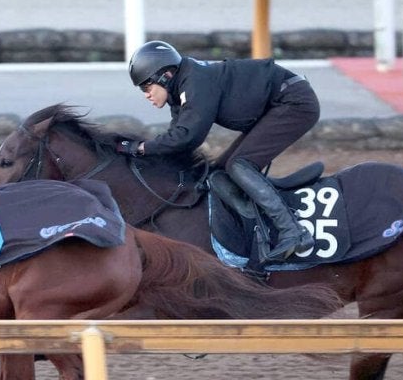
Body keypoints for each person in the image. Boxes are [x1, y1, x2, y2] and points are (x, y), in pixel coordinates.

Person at [120, 40, 319, 263]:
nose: (146, 94)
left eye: (146, 87)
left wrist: (141, 148)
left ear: (165, 75)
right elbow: (178, 143)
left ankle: (294, 232)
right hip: (275, 107)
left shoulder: (195, 82)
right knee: (219, 173)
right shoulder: (180, 89)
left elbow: (188, 136)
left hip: (294, 103)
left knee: (239, 165)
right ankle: (256, 226)